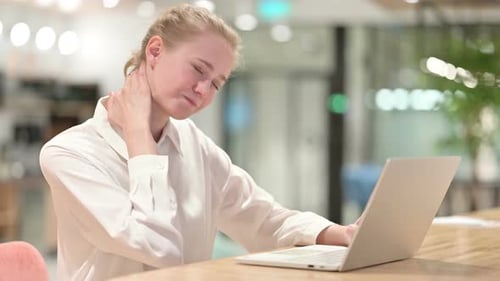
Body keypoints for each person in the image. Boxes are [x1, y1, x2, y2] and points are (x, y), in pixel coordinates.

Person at [39, 3, 360, 281]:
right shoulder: (70, 154)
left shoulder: (194, 145)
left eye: (216, 84)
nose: (203, 90)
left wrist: (340, 234)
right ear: (155, 51)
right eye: (198, 69)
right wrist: (139, 138)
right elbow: (157, 246)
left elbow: (263, 220)